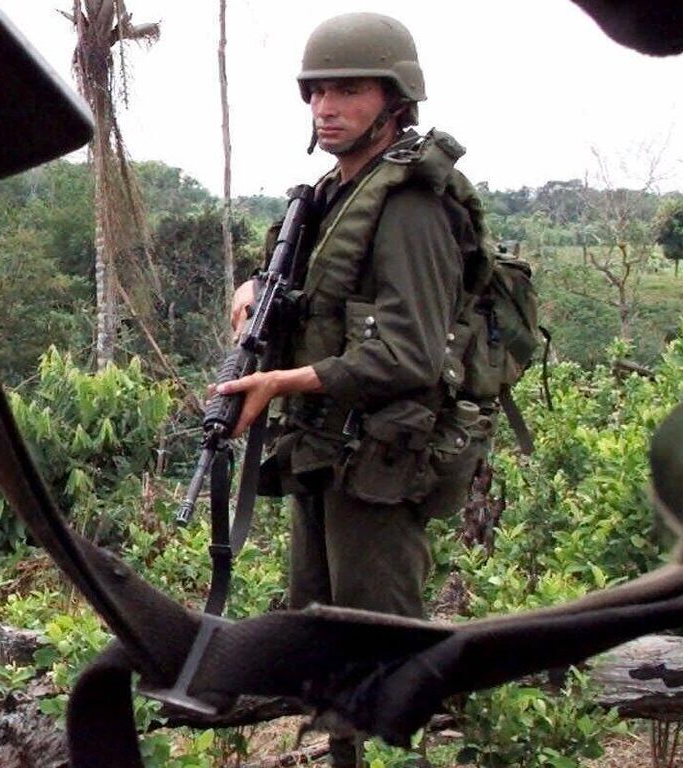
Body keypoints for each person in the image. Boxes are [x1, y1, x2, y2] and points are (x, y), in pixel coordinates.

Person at [213, 12, 494, 766]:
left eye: (347, 90)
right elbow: (316, 296)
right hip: (325, 452)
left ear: (395, 99)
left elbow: (409, 353)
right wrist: (252, 287)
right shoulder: (335, 194)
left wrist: (281, 382)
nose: (325, 108)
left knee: (387, 660)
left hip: (381, 462)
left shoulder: (411, 206)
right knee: (323, 643)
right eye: (316, 92)